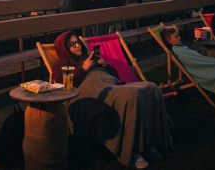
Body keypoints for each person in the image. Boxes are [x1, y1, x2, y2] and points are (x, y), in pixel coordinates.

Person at [52, 31, 173, 169]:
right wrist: (83, 68)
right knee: (131, 96)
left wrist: (104, 65)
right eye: (72, 45)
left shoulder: (89, 56)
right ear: (65, 49)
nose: (77, 46)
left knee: (152, 88)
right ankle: (134, 153)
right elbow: (62, 83)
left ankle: (150, 143)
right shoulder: (62, 63)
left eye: (77, 42)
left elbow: (115, 74)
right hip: (94, 91)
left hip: (112, 84)